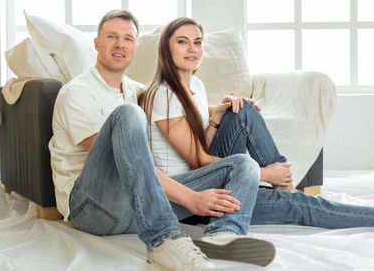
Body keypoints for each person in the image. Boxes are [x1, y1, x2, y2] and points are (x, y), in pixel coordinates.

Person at [49, 10, 275, 271]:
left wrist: (219, 108)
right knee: (128, 113)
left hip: (136, 205)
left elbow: (173, 105)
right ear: (97, 44)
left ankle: (223, 235)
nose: (120, 44)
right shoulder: (77, 93)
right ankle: (163, 240)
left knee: (243, 166)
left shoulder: (134, 89)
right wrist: (191, 198)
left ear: (135, 46)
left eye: (128, 39)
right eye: (112, 37)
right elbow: (128, 160)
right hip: (92, 209)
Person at [138, 16, 374, 238]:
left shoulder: (195, 86)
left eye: (197, 42)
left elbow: (204, 146)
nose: (192, 48)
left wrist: (217, 115)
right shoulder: (163, 95)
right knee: (301, 204)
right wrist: (264, 174)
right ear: (166, 49)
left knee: (242, 110)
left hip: (212, 179)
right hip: (191, 198)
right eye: (182, 42)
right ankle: (279, 186)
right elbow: (198, 160)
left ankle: (283, 185)